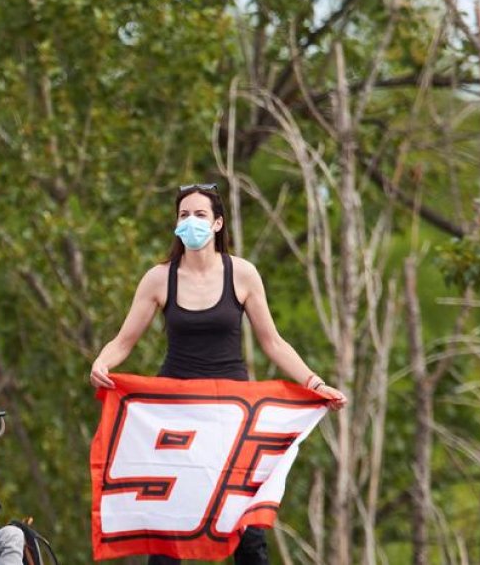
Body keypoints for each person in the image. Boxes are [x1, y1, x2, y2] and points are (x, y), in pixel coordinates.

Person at [89, 183, 347, 565]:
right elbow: (124, 341)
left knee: (246, 528)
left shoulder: (242, 274)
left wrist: (315, 383)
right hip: (174, 411)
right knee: (167, 530)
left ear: (218, 223)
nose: (190, 221)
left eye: (200, 215)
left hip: (232, 414)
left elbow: (272, 343)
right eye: (183, 215)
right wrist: (102, 362)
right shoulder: (159, 278)